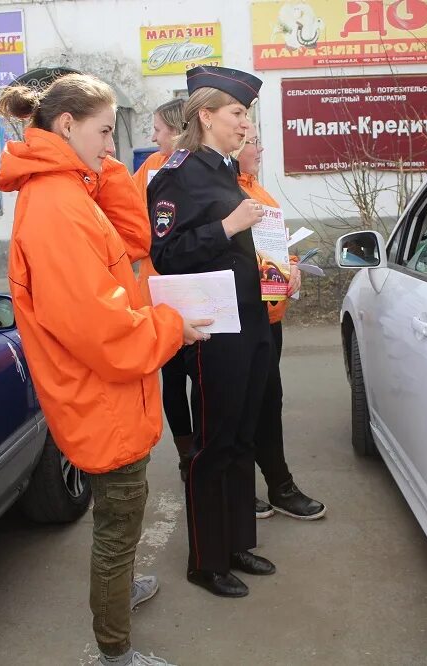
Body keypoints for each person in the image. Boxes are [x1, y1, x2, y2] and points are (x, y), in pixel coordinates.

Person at [0, 73, 210, 666]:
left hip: (111, 395)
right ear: (66, 125)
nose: (114, 145)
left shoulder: (70, 190)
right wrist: (171, 328)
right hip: (102, 397)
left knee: (124, 516)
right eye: (105, 131)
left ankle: (118, 596)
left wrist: (101, 168)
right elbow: (102, 330)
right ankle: (115, 650)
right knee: (117, 525)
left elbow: (134, 238)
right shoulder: (57, 208)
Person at [148, 65, 274, 598]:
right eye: (238, 113)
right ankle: (206, 558)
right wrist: (228, 226)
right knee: (213, 444)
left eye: (246, 114)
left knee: (244, 436)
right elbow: (167, 254)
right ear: (206, 115)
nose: (246, 123)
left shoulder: (225, 171)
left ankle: (236, 541)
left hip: (251, 321)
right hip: (214, 329)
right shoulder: (177, 175)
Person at [233, 123, 326, 521]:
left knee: (269, 403)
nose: (259, 148)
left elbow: (273, 250)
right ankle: (244, 489)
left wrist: (291, 269)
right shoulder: (225, 192)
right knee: (242, 409)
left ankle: (278, 486)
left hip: (270, 316)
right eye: (252, 141)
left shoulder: (258, 190)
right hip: (239, 319)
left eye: (257, 139)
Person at [133, 99, 195, 481]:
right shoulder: (151, 168)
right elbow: (131, 221)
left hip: (199, 292)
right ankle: (188, 455)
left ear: (176, 129)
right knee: (172, 379)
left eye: (158, 129)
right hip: (160, 294)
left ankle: (206, 454)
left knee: (203, 382)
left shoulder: (203, 166)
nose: (153, 136)